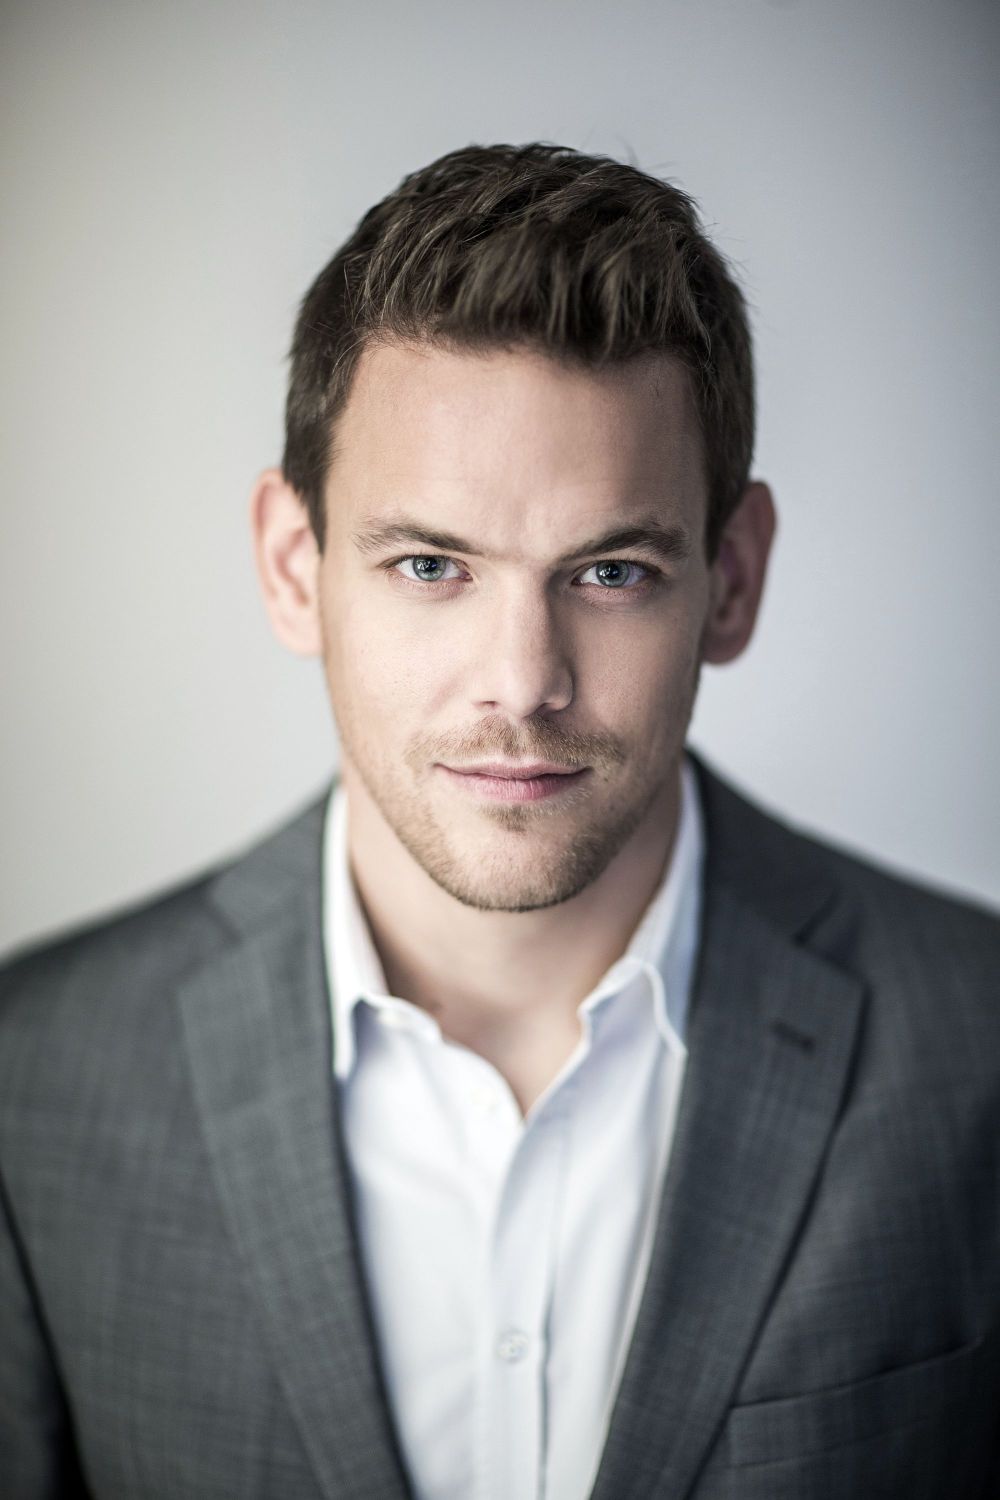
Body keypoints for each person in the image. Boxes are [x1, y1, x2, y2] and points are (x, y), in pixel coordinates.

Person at [1, 142, 997, 1500]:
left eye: (610, 572)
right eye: (430, 565)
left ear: (732, 579)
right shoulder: (36, 1080)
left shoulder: (976, 1045)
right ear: (294, 568)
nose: (523, 684)